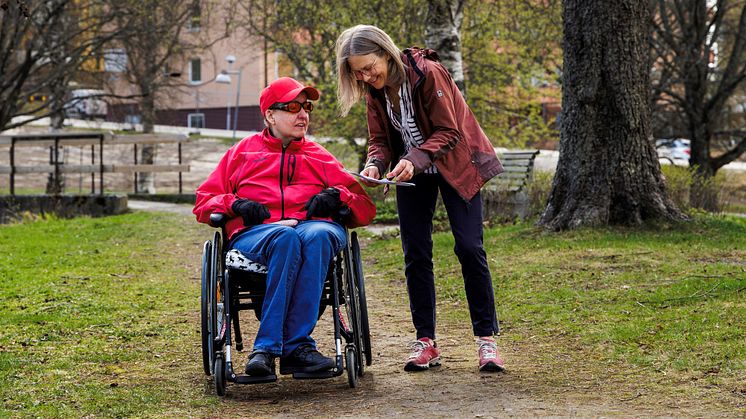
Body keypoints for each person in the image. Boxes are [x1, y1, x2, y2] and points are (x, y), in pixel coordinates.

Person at [335, 25, 505, 372]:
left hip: (458, 165)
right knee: (415, 253)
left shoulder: (428, 74)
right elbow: (380, 140)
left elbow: (450, 130)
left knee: (469, 248)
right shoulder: (375, 91)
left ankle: (487, 341)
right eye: (359, 73)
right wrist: (373, 164)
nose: (367, 76)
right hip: (412, 175)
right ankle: (426, 341)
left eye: (370, 67)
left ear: (386, 53)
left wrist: (413, 159)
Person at [193, 77, 376, 377]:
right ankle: (279, 347)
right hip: (258, 236)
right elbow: (203, 202)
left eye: (307, 107)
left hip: (312, 229)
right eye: (293, 107)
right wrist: (234, 205)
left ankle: (285, 349)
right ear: (269, 115)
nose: (303, 114)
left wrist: (338, 195)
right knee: (285, 237)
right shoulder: (242, 154)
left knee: (316, 235)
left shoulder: (320, 156)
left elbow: (365, 209)